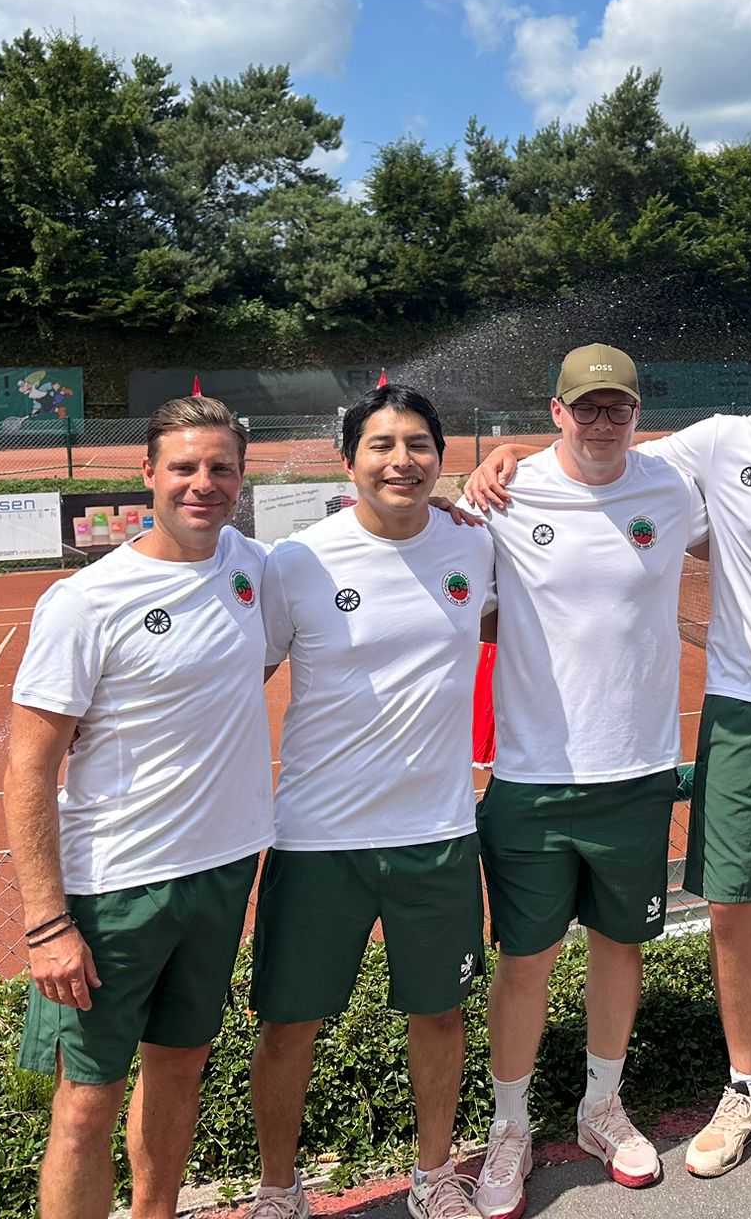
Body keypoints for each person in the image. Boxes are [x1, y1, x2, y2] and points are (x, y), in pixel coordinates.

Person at [468, 302, 751, 1178]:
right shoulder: (710, 446)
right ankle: (745, 1084)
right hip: (744, 707)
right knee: (731, 904)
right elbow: (590, 460)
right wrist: (505, 455)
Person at [4, 395, 274, 1219]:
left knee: (180, 1070)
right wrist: (46, 922)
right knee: (85, 1106)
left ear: (241, 477)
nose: (204, 484)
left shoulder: (254, 567)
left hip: (223, 872)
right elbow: (28, 769)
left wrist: (472, 486)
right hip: (115, 889)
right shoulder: (87, 600)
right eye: (184, 467)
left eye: (221, 467)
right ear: (148, 474)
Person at [465, 345, 710, 1218]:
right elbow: (460, 596)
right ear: (557, 412)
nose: (603, 422)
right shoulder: (503, 493)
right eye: (587, 408)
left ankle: (601, 1106)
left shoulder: (672, 488)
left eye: (619, 408)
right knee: (525, 961)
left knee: (619, 948)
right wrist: (491, 463)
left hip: (637, 773)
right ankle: (510, 1124)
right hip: (532, 777)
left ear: (638, 414)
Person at [243, 384, 496, 1219]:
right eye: (381, 445)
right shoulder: (297, 563)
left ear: (441, 458)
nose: (401, 460)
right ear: (347, 461)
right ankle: (279, 1191)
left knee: (440, 1014)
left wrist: (501, 469)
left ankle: (434, 1177)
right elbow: (244, 679)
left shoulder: (474, 545)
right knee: (288, 1027)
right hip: (318, 838)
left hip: (436, 833)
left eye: (419, 444)